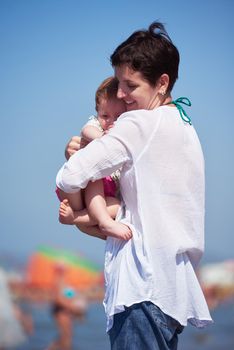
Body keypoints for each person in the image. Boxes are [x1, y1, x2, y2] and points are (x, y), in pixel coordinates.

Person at [56, 21, 213, 349]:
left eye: (130, 85)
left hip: (140, 287)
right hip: (173, 292)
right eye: (118, 83)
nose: (121, 94)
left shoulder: (138, 122)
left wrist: (77, 154)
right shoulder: (185, 126)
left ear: (162, 82)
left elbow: (69, 177)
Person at [56, 76, 132, 241]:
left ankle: (74, 218)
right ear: (97, 112)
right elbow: (86, 130)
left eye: (118, 116)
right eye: (105, 115)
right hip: (80, 186)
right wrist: (103, 138)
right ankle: (103, 222)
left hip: (102, 199)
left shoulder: (128, 131)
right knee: (95, 172)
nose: (111, 121)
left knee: (117, 206)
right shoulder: (98, 127)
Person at [46, 264, 87, 350]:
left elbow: (69, 297)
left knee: (67, 335)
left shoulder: (65, 283)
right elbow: (57, 299)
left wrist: (77, 306)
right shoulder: (58, 282)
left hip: (67, 312)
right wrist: (72, 308)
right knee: (65, 336)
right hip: (61, 312)